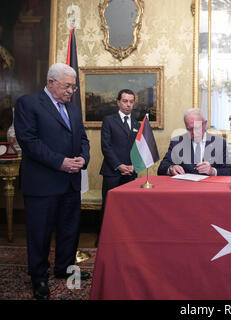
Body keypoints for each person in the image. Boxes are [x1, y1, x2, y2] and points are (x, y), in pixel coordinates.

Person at [14, 62, 90, 300]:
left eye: (73, 88)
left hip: (70, 182)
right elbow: (29, 142)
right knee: (40, 233)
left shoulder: (74, 109)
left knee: (69, 230)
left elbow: (83, 139)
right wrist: (61, 162)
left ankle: (65, 269)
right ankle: (38, 278)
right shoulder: (28, 104)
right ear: (51, 82)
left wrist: (83, 159)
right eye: (67, 86)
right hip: (43, 183)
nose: (70, 91)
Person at [98, 89, 139, 244]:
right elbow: (106, 147)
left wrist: (134, 166)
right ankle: (103, 240)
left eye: (131, 101)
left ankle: (124, 241)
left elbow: (139, 149)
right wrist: (119, 165)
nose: (128, 104)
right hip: (112, 172)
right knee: (109, 207)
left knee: (128, 209)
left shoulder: (137, 123)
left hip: (131, 173)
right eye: (125, 101)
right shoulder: (109, 120)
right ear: (118, 102)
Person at [157, 108, 231, 176]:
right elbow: (162, 168)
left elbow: (229, 171)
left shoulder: (219, 143)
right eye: (189, 129)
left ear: (205, 124)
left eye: (197, 128)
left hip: (209, 189)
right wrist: (171, 168)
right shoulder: (177, 142)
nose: (194, 133)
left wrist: (212, 171)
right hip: (185, 189)